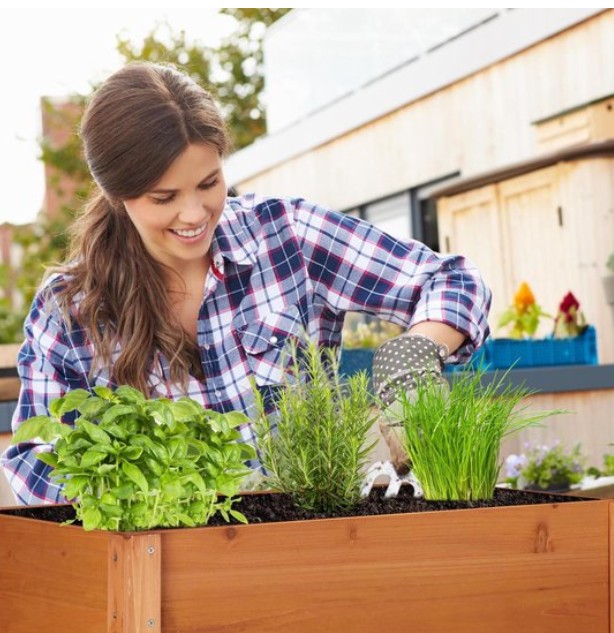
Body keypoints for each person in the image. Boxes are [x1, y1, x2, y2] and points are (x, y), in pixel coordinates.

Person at [0, 61, 491, 505]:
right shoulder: (71, 310)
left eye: (210, 183)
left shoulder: (287, 237)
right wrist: (143, 500)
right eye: (164, 197)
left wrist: (415, 352)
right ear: (116, 194)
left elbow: (451, 279)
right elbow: (32, 458)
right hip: (157, 567)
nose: (194, 214)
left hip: (303, 542)